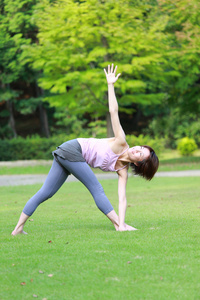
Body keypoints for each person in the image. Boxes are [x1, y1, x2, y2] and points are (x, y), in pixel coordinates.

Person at [11, 64, 159, 235]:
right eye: (139, 147)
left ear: (140, 163)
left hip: (67, 154)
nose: (136, 149)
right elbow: (113, 111)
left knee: (46, 192)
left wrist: (123, 221)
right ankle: (118, 226)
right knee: (97, 189)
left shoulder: (122, 171)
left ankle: (18, 229)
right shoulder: (121, 141)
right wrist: (110, 85)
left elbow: (122, 198)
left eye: (140, 153)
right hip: (72, 150)